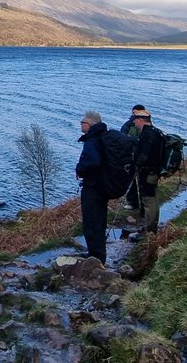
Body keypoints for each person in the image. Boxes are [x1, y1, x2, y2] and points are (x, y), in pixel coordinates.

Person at [75, 110, 110, 263]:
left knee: (90, 221)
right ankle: (99, 254)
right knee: (100, 220)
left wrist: (80, 169)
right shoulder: (103, 137)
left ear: (89, 124)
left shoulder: (92, 140)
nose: (81, 124)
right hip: (103, 185)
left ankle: (95, 257)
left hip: (93, 186)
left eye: (82, 122)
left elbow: (93, 161)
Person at [131, 108, 166, 232]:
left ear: (141, 120)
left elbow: (144, 155)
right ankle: (152, 226)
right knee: (153, 199)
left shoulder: (147, 134)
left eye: (135, 121)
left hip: (147, 172)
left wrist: (136, 165)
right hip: (155, 171)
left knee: (148, 200)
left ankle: (149, 229)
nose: (134, 123)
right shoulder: (157, 132)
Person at [120, 105, 149, 212]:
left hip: (141, 157)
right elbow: (122, 136)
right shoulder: (128, 125)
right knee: (131, 179)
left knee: (140, 181)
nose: (134, 115)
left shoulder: (146, 126)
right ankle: (132, 202)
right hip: (130, 155)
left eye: (136, 113)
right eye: (133, 113)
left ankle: (140, 205)